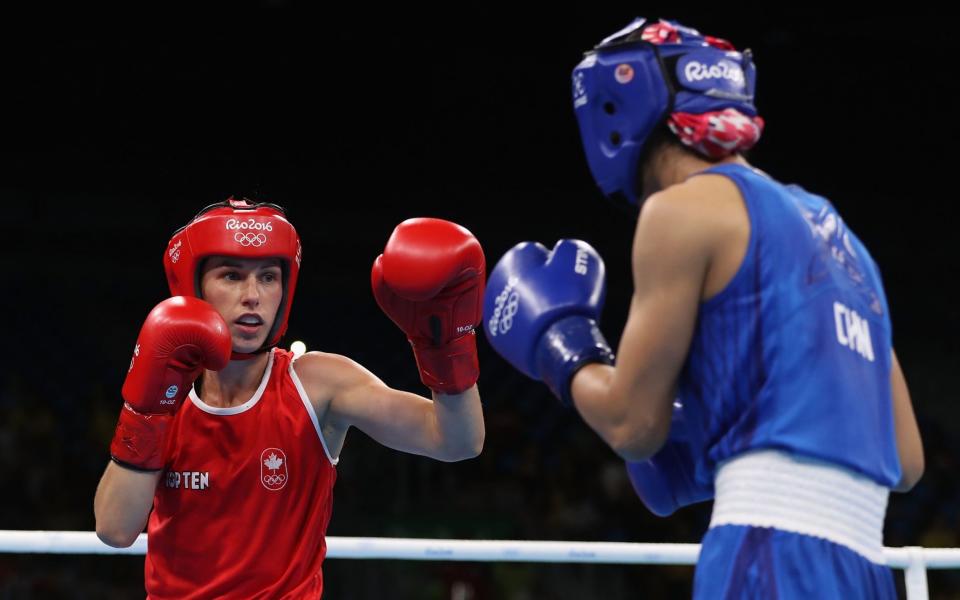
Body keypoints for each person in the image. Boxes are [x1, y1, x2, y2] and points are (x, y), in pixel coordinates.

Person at [481, 17, 924, 598]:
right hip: (865, 565)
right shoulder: (840, 236)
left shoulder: (682, 210)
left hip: (767, 551)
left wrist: (561, 346)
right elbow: (907, 459)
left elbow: (632, 425)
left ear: (619, 105)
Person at [94, 198, 486, 598]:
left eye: (268, 277)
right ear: (194, 287)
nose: (253, 295)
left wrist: (444, 344)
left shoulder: (317, 384)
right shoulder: (165, 395)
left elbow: (456, 441)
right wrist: (146, 413)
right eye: (232, 276)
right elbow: (115, 529)